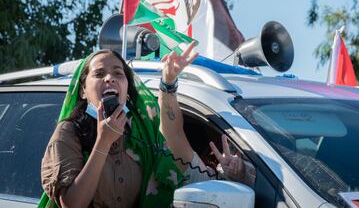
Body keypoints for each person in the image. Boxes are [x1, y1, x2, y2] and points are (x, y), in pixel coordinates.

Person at [40, 42, 252, 208]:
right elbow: (72, 203)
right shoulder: (69, 133)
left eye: (118, 73)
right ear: (83, 90)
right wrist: (103, 142)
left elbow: (173, 134)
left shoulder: (141, 131)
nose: (110, 79)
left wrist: (168, 82)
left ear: (126, 87)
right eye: (99, 74)